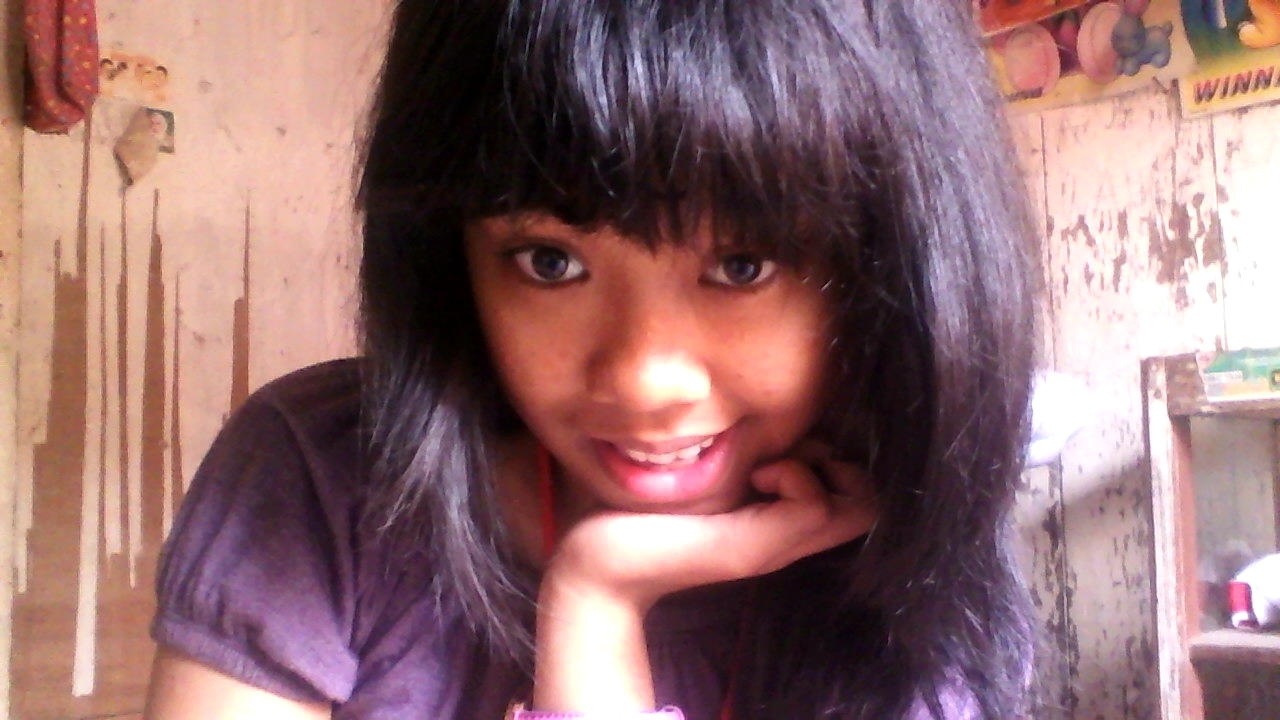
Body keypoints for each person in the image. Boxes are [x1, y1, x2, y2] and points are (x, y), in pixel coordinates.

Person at [142, 1, 1039, 719]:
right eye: (549, 262)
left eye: (743, 265)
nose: (643, 381)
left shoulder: (915, 570)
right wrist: (595, 599)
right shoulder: (321, 478)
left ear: (888, 267)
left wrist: (598, 611)